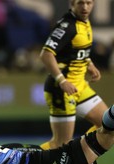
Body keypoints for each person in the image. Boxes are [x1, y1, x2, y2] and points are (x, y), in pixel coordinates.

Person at [39, 0, 108, 150]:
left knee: (107, 124)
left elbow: (75, 49)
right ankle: (23, 162)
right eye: (80, 3)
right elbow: (46, 54)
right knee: (60, 144)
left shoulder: (84, 22)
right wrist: (62, 81)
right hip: (62, 88)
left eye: (88, 3)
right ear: (72, 4)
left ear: (93, 4)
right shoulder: (67, 26)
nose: (85, 7)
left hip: (80, 86)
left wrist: (89, 63)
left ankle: (84, 157)